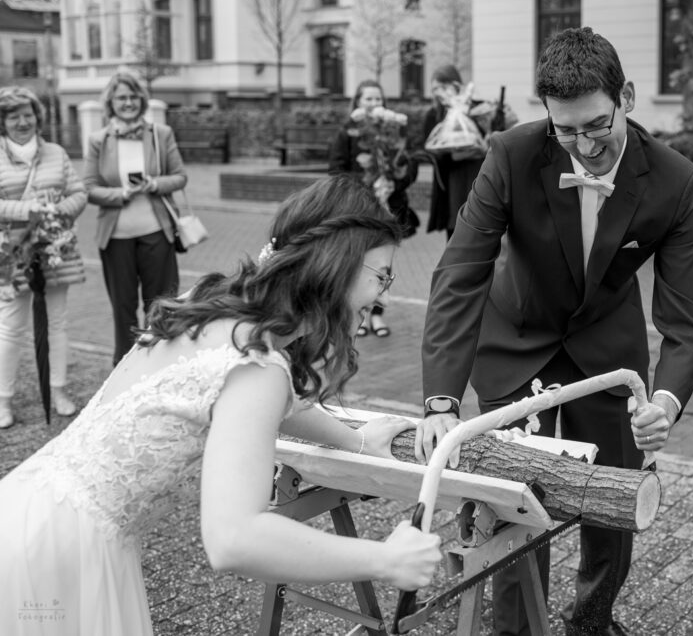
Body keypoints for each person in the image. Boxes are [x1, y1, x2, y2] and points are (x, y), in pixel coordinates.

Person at [0, 174, 442, 635]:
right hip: (61, 553)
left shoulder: (213, 303)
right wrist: (386, 559)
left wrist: (355, 440)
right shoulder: (258, 366)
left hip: (29, 504)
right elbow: (234, 539)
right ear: (336, 266)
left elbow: (261, 404)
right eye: (382, 276)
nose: (385, 295)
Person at [415, 27, 693, 636]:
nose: (584, 145)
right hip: (517, 339)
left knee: (613, 503)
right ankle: (518, 629)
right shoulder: (513, 154)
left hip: (608, 352)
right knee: (516, 506)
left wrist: (667, 403)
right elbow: (460, 274)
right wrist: (441, 400)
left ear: (625, 96)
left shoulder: (673, 180)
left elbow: (683, 322)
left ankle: (591, 620)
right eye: (565, 130)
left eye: (597, 125)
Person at [83, 70, 188, 365]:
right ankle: (125, 369)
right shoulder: (98, 140)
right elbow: (89, 188)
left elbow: (180, 176)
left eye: (132, 97)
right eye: (121, 98)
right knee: (123, 308)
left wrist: (154, 184)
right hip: (116, 237)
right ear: (111, 102)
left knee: (161, 307)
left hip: (157, 231)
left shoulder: (160, 134)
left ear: (140, 100)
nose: (127, 102)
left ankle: (159, 365)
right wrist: (121, 194)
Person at [0, 86, 88, 428]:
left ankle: (59, 391)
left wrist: (59, 211)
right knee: (10, 327)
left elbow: (78, 192)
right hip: (12, 251)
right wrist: (28, 209)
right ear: (3, 121)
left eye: (28, 114)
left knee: (57, 321)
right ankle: (3, 400)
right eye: (13, 115)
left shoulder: (56, 153)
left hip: (55, 249)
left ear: (38, 116)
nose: (23, 121)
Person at [329, 79, 419, 338]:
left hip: (389, 208)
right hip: (360, 209)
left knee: (384, 265)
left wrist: (392, 181)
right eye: (368, 99)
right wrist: (367, 183)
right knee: (358, 263)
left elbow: (409, 167)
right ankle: (360, 315)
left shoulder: (394, 130)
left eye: (377, 99)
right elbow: (336, 169)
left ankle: (378, 316)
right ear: (357, 101)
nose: (373, 103)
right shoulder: (349, 131)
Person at [423, 64, 517, 239]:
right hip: (452, 183)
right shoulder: (434, 116)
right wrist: (457, 153)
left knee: (481, 225)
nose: (438, 92)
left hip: (478, 176)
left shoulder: (478, 109)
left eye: (443, 87)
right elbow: (432, 152)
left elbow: (494, 136)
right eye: (435, 88)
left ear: (456, 85)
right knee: (455, 232)